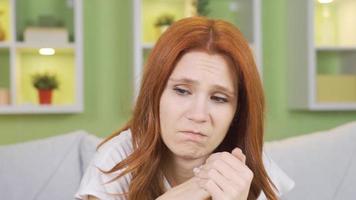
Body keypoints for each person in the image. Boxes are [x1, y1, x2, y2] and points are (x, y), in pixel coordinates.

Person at [76, 16, 282, 200]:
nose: (198, 115)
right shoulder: (118, 158)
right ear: (155, 94)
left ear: (238, 111)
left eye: (219, 98)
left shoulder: (250, 165)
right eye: (182, 91)